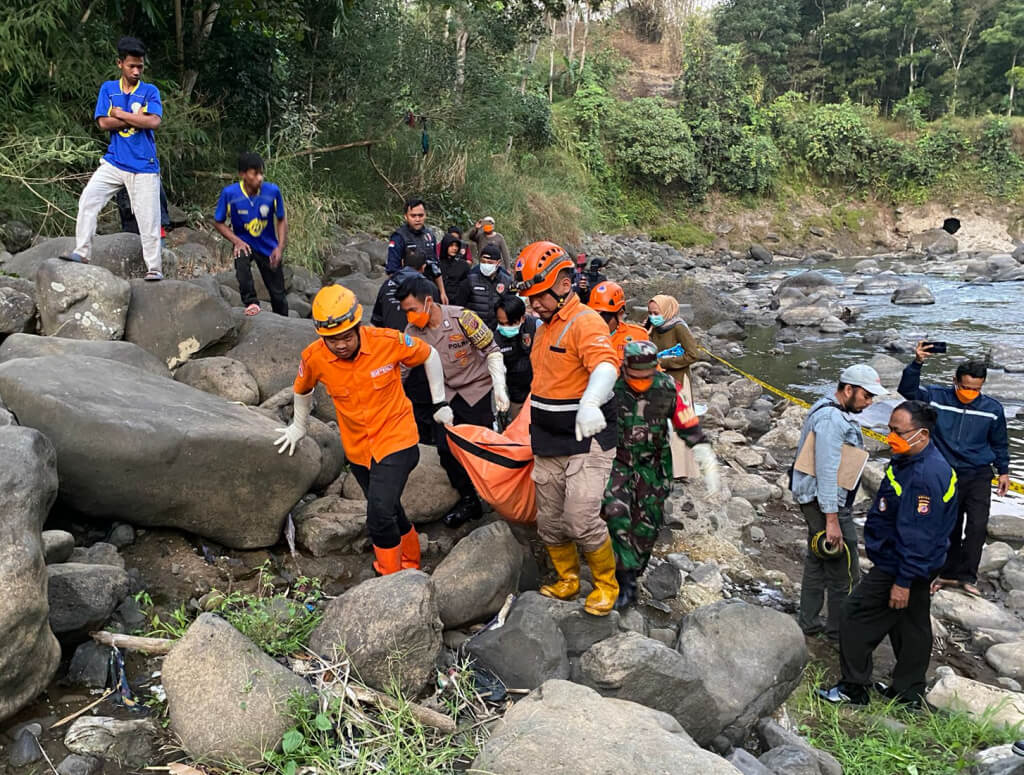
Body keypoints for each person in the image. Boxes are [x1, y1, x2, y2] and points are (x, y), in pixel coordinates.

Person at [273, 284, 453, 574]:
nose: (340, 345)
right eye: (332, 340)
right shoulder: (315, 356)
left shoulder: (386, 341)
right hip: (359, 450)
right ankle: (410, 560)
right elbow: (302, 389)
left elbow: (429, 354)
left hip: (398, 440)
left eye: (345, 337)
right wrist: (298, 426)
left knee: (379, 515)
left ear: (358, 325)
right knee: (390, 508)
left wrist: (439, 402)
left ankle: (390, 578)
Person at [818, 401, 958, 708]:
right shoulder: (913, 461)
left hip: (901, 565)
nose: (889, 436)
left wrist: (903, 581)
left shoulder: (924, 477)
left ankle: (854, 688)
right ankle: (908, 693)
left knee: (854, 615)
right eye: (889, 429)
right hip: (918, 563)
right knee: (911, 625)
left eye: (897, 431)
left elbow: (919, 535)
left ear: (921, 434)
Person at [514, 241, 620, 616]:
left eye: (538, 295)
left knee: (580, 517)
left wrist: (591, 402)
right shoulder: (542, 329)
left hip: (587, 438)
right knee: (550, 521)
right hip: (547, 439)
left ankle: (608, 584)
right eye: (529, 298)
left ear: (563, 283)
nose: (534, 305)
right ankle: (569, 578)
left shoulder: (585, 322)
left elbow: (607, 365)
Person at [603, 340, 720, 608]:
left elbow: (688, 425)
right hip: (618, 461)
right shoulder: (612, 387)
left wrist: (706, 458)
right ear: (625, 369)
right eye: (635, 376)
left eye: (646, 376)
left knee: (648, 524)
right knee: (615, 512)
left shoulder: (668, 388)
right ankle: (625, 580)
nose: (640, 382)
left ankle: (635, 568)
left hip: (653, 465)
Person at [396, 275, 510, 529]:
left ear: (428, 302)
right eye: (406, 312)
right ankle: (469, 499)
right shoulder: (412, 333)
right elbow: (402, 371)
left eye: (412, 310)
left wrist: (500, 388)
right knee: (446, 451)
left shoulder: (463, 319)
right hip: (445, 396)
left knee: (484, 446)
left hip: (478, 390)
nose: (410, 317)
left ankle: (500, 496)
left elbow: (492, 351)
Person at [898, 346, 1011, 596]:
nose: (970, 393)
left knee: (977, 525)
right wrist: (916, 363)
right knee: (949, 523)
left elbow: (999, 442)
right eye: (966, 387)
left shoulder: (992, 409)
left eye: (976, 389)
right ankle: (946, 573)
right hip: (945, 472)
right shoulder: (936, 397)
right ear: (954, 381)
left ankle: (967, 575)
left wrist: (1003, 471)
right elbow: (907, 392)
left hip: (978, 473)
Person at [791, 364, 886, 641]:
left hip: (814, 499)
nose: (869, 403)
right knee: (844, 569)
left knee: (817, 559)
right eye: (866, 396)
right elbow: (828, 469)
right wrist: (832, 520)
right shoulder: (833, 420)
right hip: (827, 503)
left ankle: (808, 621)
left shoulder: (824, 407)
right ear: (848, 389)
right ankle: (840, 631)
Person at [61, 37, 164, 281]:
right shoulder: (109, 89)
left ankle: (155, 267)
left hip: (144, 165)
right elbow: (103, 123)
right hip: (115, 161)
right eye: (132, 66)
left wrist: (120, 113)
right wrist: (133, 117)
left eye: (140, 66)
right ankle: (82, 252)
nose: (137, 71)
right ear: (120, 63)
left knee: (148, 219)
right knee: (88, 200)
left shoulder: (150, 91)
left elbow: (154, 121)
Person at [213, 152, 289, 317]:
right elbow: (218, 222)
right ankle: (251, 302)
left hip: (268, 246)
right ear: (243, 174)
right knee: (241, 260)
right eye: (255, 173)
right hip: (245, 243)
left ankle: (283, 320)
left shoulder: (272, 191)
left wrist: (280, 247)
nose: (260, 178)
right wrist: (236, 240)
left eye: (261, 173)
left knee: (278, 294)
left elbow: (282, 219)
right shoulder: (230, 194)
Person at [646, 294, 701, 479]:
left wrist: (667, 362)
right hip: (658, 381)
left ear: (668, 311)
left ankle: (680, 469)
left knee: (678, 425)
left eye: (657, 312)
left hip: (678, 382)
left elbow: (692, 354)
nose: (654, 316)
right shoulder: (654, 328)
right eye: (651, 313)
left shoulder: (679, 327)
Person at [386, 199, 447, 301]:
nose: (417, 219)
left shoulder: (429, 235)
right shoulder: (399, 237)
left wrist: (442, 292)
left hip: (429, 288)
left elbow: (435, 267)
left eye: (420, 215)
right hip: (407, 291)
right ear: (406, 216)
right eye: (413, 216)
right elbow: (392, 271)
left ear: (425, 215)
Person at [494, 294, 537, 421]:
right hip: (515, 394)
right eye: (502, 323)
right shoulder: (496, 339)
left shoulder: (536, 326)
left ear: (522, 318)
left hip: (538, 392)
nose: (505, 327)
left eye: (510, 323)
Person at [372, 251, 438, 331]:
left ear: (403, 263)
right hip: (419, 339)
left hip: (391, 338)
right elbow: (436, 318)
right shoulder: (430, 287)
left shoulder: (386, 285)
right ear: (423, 267)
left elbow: (377, 320)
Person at [587, 281, 648, 360]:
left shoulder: (638, 336)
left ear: (620, 314)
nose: (598, 322)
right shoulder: (583, 337)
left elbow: (652, 370)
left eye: (604, 318)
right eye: (594, 316)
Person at [460, 243, 514, 330]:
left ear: (498, 263)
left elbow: (512, 307)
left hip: (498, 331)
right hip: (474, 331)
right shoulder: (470, 281)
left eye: (490, 263)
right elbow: (459, 308)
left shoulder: (507, 282)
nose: (486, 265)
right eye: (483, 262)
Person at [438, 233, 470, 305]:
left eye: (456, 246)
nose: (454, 248)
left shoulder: (463, 265)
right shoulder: (437, 264)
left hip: (457, 303)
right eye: (451, 245)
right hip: (439, 302)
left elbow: (467, 285)